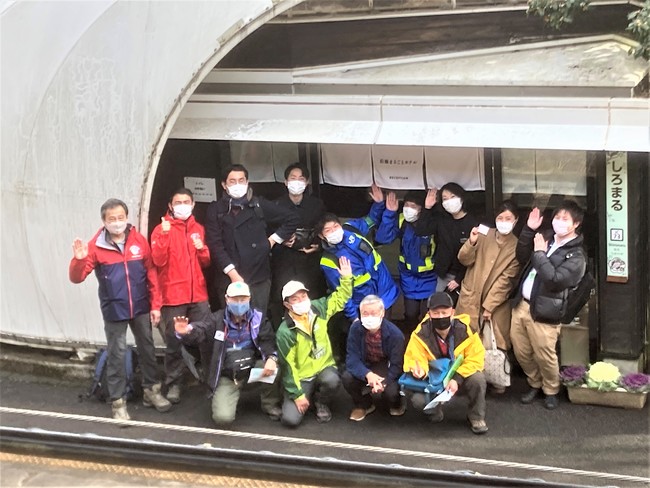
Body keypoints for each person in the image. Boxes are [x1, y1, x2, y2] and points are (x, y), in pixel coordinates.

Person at [69, 198, 171, 420]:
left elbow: (151, 274)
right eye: (112, 219)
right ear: (104, 221)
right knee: (117, 352)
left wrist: (155, 305)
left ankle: (151, 391)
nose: (117, 223)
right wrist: (78, 260)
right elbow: (77, 278)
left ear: (127, 218)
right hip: (114, 309)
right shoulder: (95, 247)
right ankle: (117, 402)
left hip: (142, 305)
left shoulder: (138, 241)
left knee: (148, 349)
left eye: (121, 218)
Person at [511, 201, 587, 410]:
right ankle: (535, 382)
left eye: (565, 219)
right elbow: (521, 255)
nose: (559, 223)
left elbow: (554, 280)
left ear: (576, 224)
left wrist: (540, 253)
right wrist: (529, 230)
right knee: (521, 351)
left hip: (546, 311)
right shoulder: (545, 238)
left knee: (544, 354)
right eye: (557, 218)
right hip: (522, 305)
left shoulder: (576, 256)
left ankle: (551, 389)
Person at [173, 281, 282, 425]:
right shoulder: (216, 320)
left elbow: (267, 340)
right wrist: (186, 331)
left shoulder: (258, 318)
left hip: (250, 370)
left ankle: (269, 403)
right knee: (223, 418)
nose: (239, 303)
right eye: (235, 299)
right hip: (227, 376)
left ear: (249, 299)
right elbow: (201, 330)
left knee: (274, 366)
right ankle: (228, 396)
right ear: (226, 299)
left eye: (243, 299)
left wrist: (271, 358)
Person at [205, 164, 299, 318]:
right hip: (228, 277)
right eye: (232, 181)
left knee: (258, 322)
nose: (237, 185)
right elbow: (215, 245)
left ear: (247, 182)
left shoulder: (258, 204)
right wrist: (232, 274)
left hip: (258, 276)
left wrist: (272, 240)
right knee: (232, 323)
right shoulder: (215, 210)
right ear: (224, 185)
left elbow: (292, 218)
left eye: (241, 180)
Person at [275, 256, 353, 427]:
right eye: (295, 299)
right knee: (290, 420)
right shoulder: (285, 331)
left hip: (324, 367)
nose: (301, 301)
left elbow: (340, 298)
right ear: (287, 305)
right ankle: (292, 395)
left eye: (303, 296)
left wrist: (346, 278)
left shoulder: (319, 308)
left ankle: (321, 402)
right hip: (302, 376)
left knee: (332, 380)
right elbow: (288, 367)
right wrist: (298, 395)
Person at [150, 188, 211, 404]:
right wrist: (165, 235)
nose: (182, 205)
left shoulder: (198, 228)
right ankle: (174, 382)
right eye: (178, 202)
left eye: (186, 201)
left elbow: (205, 262)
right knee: (173, 342)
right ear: (170, 205)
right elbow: (157, 261)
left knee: (207, 335)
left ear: (193, 204)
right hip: (173, 294)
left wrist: (202, 249)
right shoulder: (160, 229)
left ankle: (209, 379)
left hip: (198, 293)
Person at [403, 292, 487, 435]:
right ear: (429, 314)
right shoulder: (419, 334)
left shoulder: (466, 330)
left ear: (452, 312)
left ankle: (476, 417)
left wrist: (457, 379)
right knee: (417, 400)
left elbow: (476, 358)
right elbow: (414, 358)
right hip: (434, 378)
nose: (441, 316)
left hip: (459, 375)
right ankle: (434, 411)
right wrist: (420, 371)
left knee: (478, 379)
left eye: (444, 312)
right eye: (436, 313)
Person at [455, 200, 521, 351]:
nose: (503, 222)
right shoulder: (484, 233)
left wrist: (489, 306)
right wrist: (471, 243)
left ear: (515, 221)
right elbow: (464, 259)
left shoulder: (517, 246)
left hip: (495, 305)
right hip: (470, 296)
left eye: (508, 219)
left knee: (491, 345)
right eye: (500, 218)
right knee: (463, 341)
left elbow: (506, 281)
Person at [269, 163, 327, 328]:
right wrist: (281, 239)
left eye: (300, 179)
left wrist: (317, 245)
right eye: (292, 178)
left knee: (312, 297)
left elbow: (323, 229)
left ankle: (314, 333)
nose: (296, 182)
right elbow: (267, 232)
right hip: (283, 261)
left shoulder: (316, 205)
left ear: (307, 182)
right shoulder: (275, 206)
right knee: (281, 298)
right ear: (285, 182)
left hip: (309, 261)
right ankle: (282, 336)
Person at [374, 190, 437, 335]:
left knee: (429, 315)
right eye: (407, 205)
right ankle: (410, 342)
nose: (409, 209)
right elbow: (383, 238)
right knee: (410, 314)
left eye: (414, 206)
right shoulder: (402, 220)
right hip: (408, 276)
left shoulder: (432, 221)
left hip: (431, 276)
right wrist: (390, 213)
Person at [342, 295, 406, 421]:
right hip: (366, 365)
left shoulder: (396, 335)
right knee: (347, 377)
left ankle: (397, 402)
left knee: (391, 393)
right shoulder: (355, 329)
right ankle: (364, 404)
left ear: (382, 313)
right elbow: (352, 359)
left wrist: (384, 382)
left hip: (385, 366)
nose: (369, 317)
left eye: (373, 313)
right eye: (365, 313)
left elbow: (397, 365)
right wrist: (367, 374)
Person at [414, 182, 478, 300]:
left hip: (467, 275)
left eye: (453, 197)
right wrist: (427, 208)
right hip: (444, 274)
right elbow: (421, 231)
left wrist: (459, 278)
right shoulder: (442, 220)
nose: (449, 201)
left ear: (462, 198)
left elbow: (476, 255)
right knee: (437, 306)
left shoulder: (472, 223)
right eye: (445, 198)